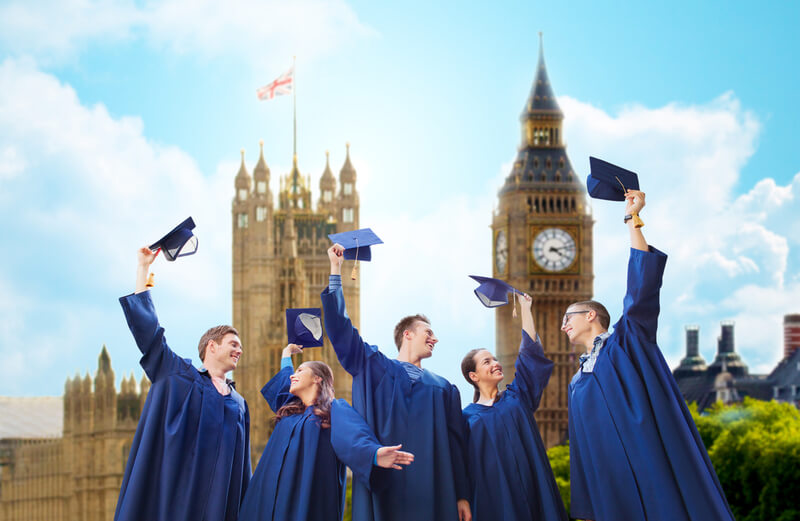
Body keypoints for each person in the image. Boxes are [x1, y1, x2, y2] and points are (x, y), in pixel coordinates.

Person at [565, 190, 734, 521]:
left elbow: (640, 291)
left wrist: (633, 220)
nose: (562, 326)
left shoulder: (627, 343)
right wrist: (586, 507)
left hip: (650, 467)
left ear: (590, 315)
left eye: (568, 317)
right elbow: (581, 451)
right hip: (613, 488)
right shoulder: (576, 383)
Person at [322, 244, 472, 521]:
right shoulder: (373, 366)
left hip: (434, 491)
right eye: (429, 332)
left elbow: (456, 445)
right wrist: (335, 270)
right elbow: (341, 330)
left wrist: (461, 495)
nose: (435, 339)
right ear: (408, 334)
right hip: (386, 484)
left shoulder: (444, 389)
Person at [115, 247, 251, 521]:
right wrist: (143, 268)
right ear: (211, 346)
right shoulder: (179, 376)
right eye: (233, 344)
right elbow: (150, 335)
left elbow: (242, 471)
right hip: (173, 501)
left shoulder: (239, 405)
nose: (239, 350)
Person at [238, 344, 415, 521]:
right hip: (266, 499)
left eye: (300, 370)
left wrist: (374, 454)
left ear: (317, 378)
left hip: (304, 498)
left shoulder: (331, 411)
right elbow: (285, 382)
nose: (294, 375)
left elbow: (352, 436)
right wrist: (285, 355)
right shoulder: (290, 410)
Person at [461, 292, 568, 521]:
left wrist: (526, 310)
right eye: (487, 362)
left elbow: (529, 356)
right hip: (496, 502)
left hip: (534, 488)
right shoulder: (465, 419)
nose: (496, 364)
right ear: (474, 375)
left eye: (495, 359)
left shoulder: (517, 397)